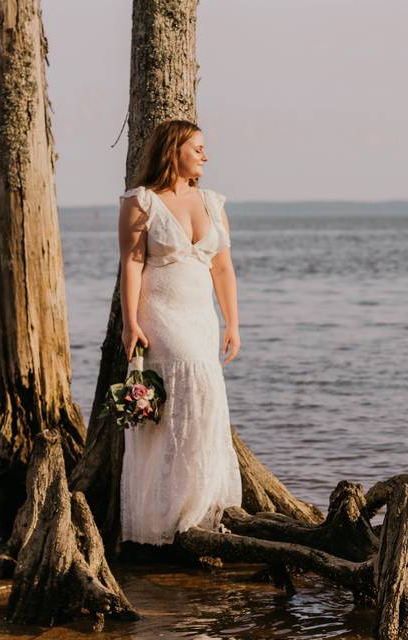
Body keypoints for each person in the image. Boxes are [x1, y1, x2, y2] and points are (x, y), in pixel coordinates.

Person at [116, 119, 242, 545]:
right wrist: (130, 320)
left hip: (200, 317)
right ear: (174, 151)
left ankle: (200, 507)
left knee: (204, 403)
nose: (206, 156)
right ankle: (165, 516)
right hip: (161, 315)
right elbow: (132, 263)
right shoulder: (141, 202)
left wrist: (232, 322)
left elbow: (222, 267)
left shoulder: (212, 202)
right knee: (179, 402)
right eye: (198, 148)